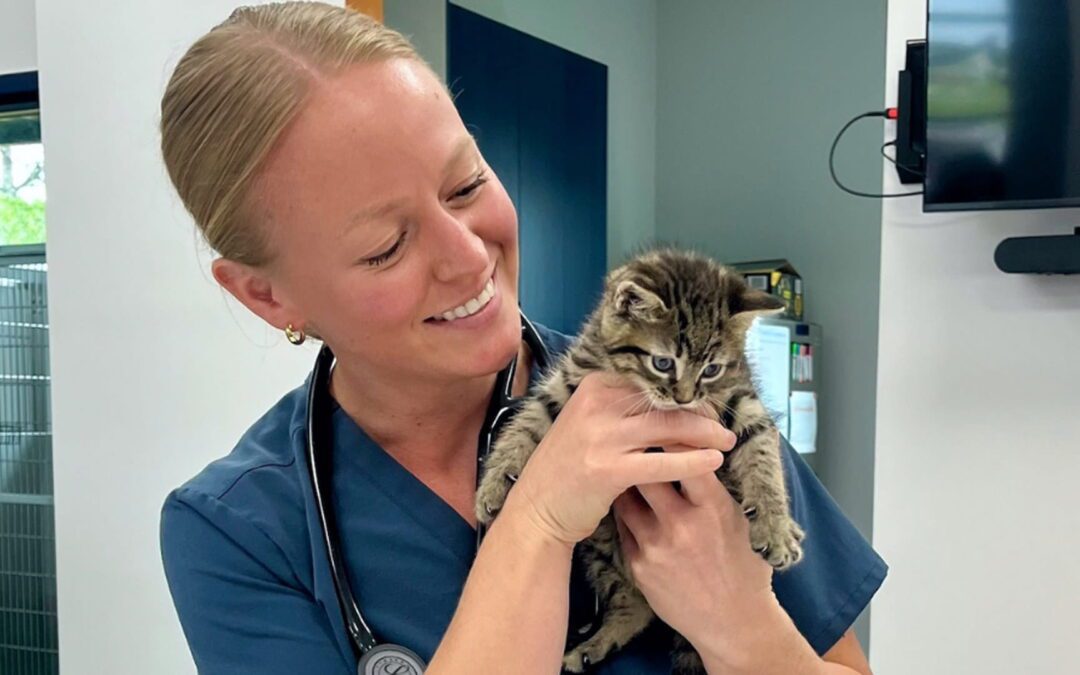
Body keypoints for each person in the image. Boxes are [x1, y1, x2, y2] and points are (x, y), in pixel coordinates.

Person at [158, 3, 886, 674]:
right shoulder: (241, 532)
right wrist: (536, 520)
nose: (470, 255)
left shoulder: (689, 403)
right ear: (267, 293)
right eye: (386, 246)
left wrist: (745, 624)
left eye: (467, 185)